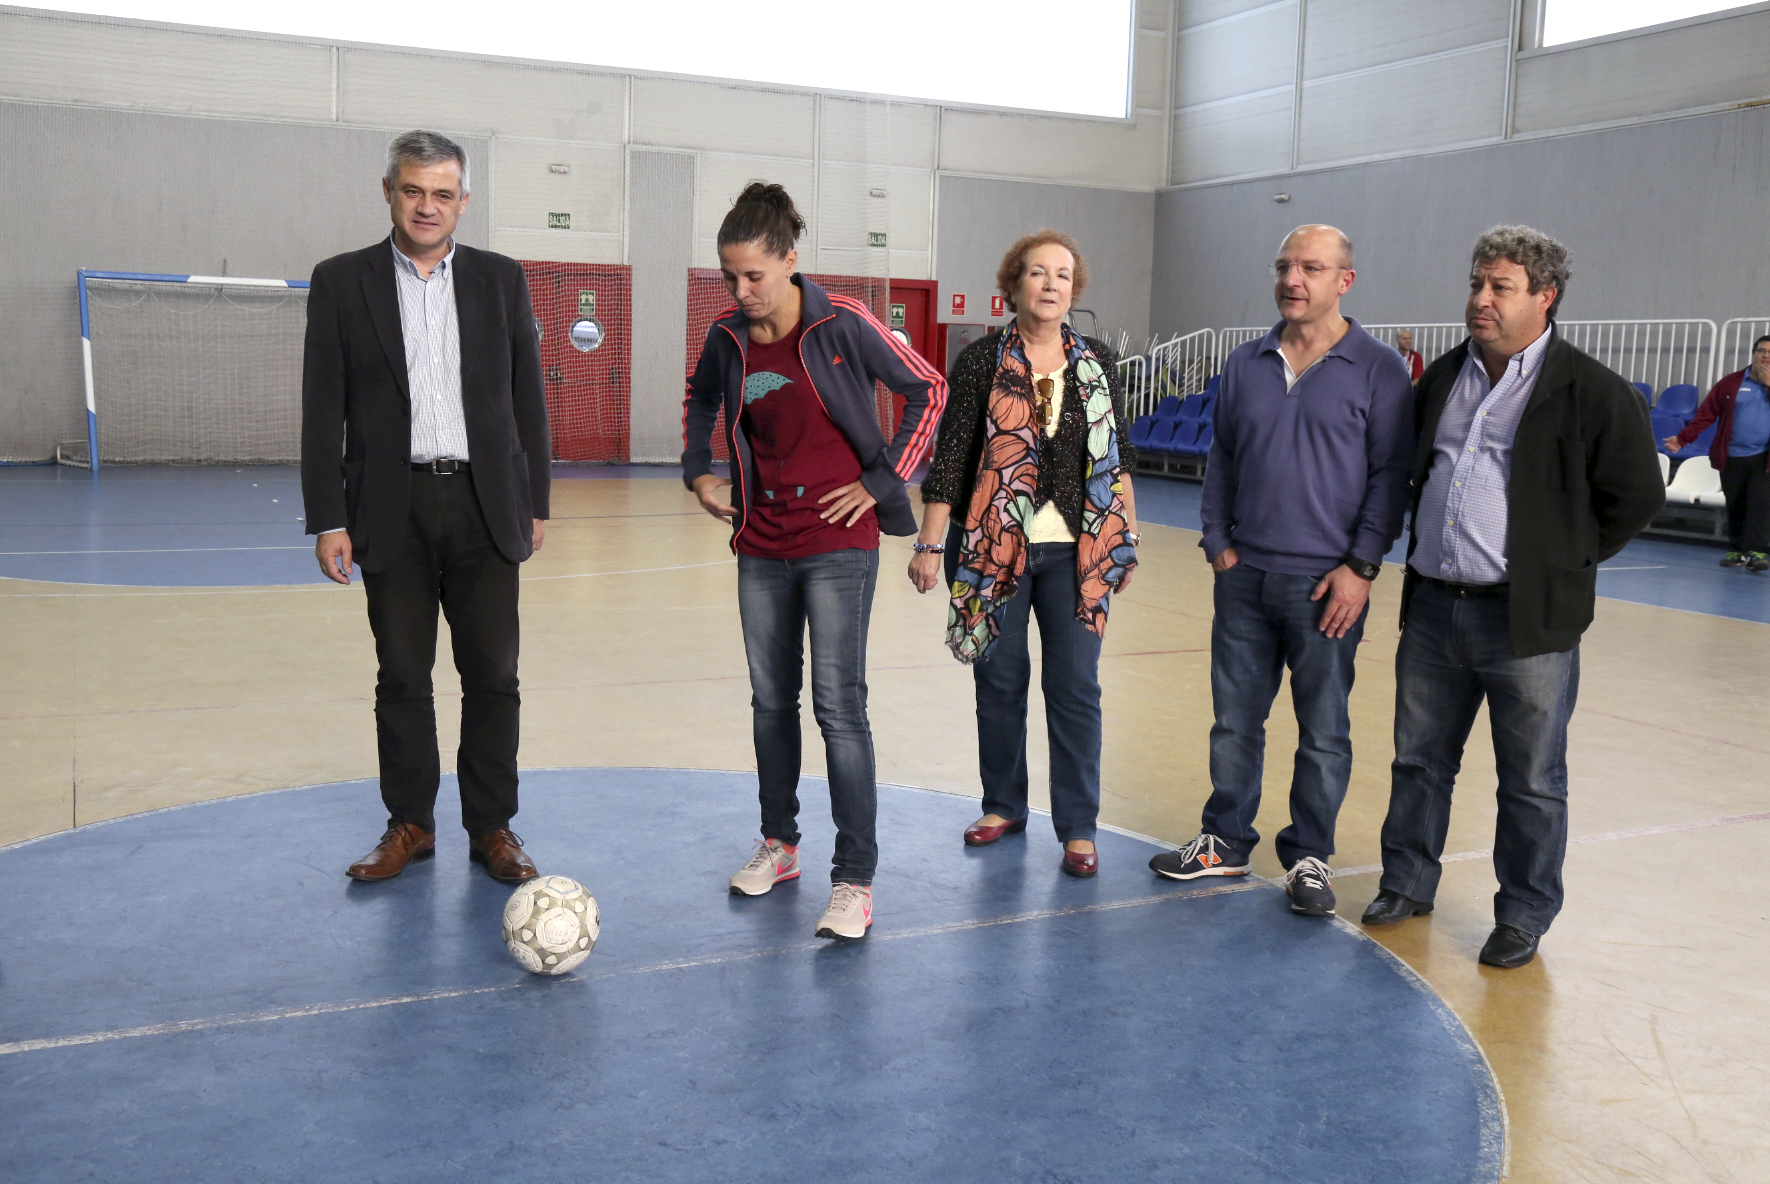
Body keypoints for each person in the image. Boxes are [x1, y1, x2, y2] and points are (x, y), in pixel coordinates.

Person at [1361, 226, 1663, 968]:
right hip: (1434, 606)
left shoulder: (1592, 390)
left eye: (1500, 287)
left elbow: (1635, 497)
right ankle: (1407, 880)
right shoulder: (1442, 379)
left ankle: (1524, 913)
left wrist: (1562, 564)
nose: (1480, 300)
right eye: (1476, 284)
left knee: (1530, 779)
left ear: (1545, 297)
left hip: (1526, 620)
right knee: (1418, 760)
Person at [683, 183, 947, 940]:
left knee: (839, 709)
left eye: (754, 276)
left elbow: (929, 389)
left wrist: (880, 482)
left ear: (790, 261)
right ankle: (780, 844)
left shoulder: (844, 323)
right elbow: (701, 405)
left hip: (838, 544)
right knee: (772, 703)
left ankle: (855, 880)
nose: (741, 292)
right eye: (729, 277)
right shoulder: (729, 339)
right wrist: (700, 471)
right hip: (761, 542)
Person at [301, 130, 550, 885]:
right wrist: (328, 516)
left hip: (484, 504)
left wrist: (535, 499)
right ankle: (410, 823)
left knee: (493, 676)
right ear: (389, 192)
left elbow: (527, 399)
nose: (427, 206)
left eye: (443, 193)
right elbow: (322, 406)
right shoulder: (343, 281)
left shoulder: (501, 280)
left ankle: (492, 826)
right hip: (391, 506)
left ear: (463, 201)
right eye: (413, 190)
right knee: (402, 676)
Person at [1147, 225, 1413, 918]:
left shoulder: (1380, 368)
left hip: (1328, 586)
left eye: (1312, 268)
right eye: (1285, 266)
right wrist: (1215, 541)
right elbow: (1225, 459)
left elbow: (1390, 478)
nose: (1293, 279)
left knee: (1324, 728)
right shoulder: (1246, 361)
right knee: (1235, 722)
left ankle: (1308, 858)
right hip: (1244, 575)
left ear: (1344, 281)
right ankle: (1226, 840)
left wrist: (1361, 567)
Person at [911, 230, 1140, 878]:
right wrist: (931, 544)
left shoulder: (1096, 362)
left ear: (1074, 289)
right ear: (1013, 285)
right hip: (989, 549)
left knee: (1075, 688)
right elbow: (952, 458)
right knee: (999, 680)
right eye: (1037, 273)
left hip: (1075, 554)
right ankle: (1003, 804)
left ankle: (1078, 826)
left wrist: (1123, 541)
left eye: (1062, 275)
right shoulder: (982, 360)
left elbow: (1115, 458)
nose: (1050, 284)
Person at [1663, 335, 1770, 570]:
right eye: (1761, 350)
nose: (1766, 355)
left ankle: (1756, 551)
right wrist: (1683, 438)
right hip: (1731, 455)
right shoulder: (1731, 383)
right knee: (1735, 503)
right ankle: (1736, 550)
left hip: (1764, 457)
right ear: (1753, 353)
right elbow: (1706, 413)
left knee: (1759, 503)